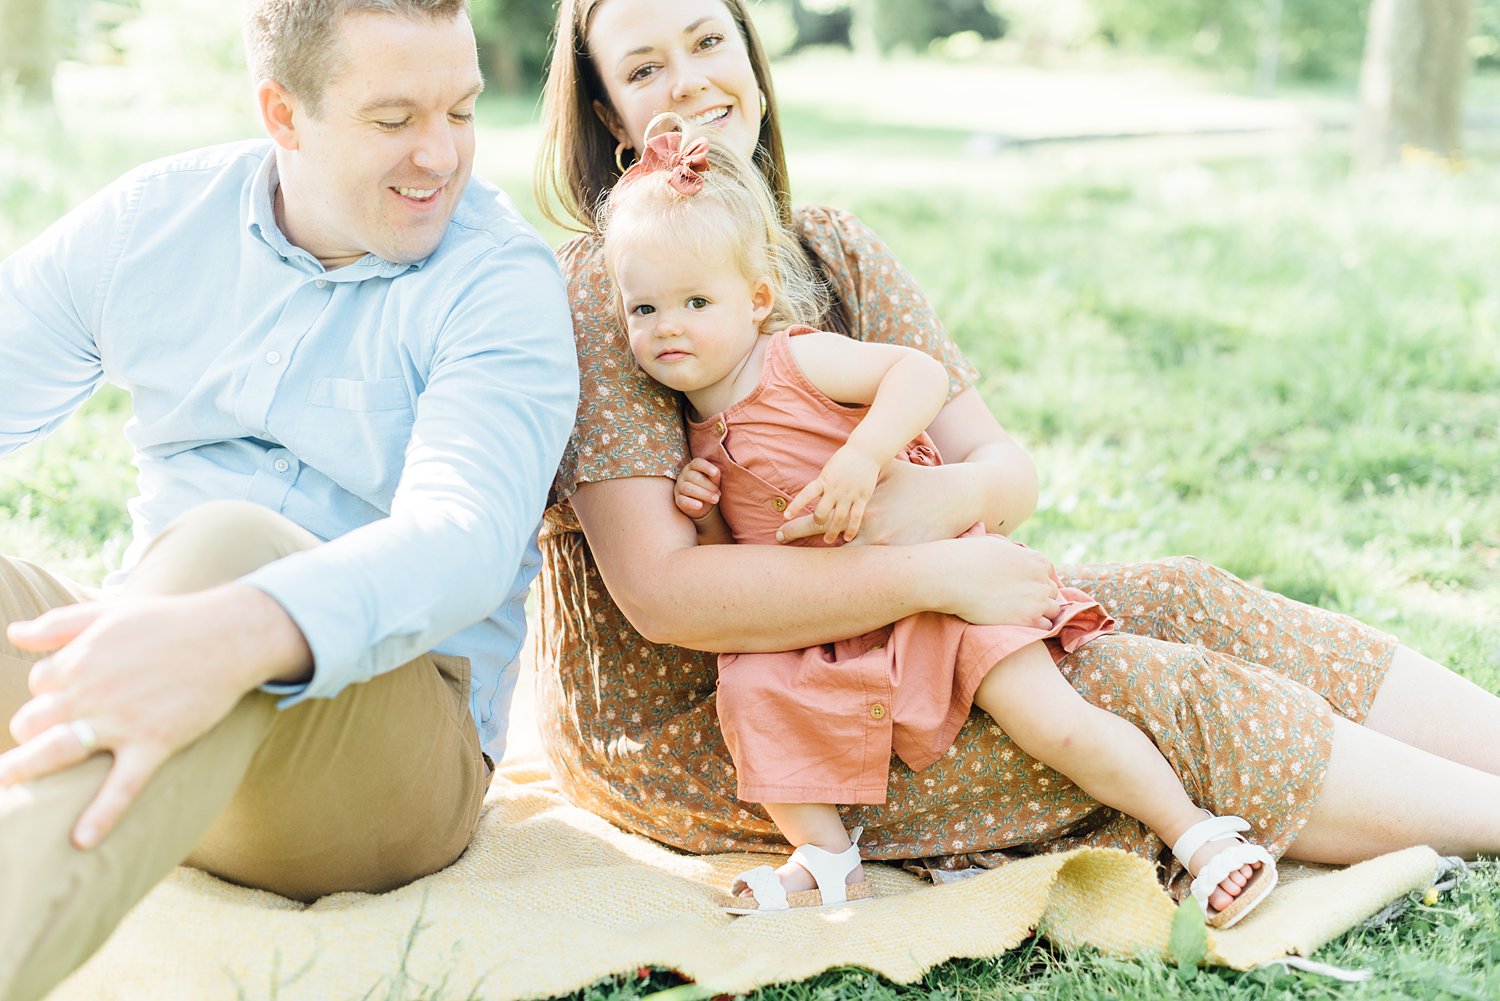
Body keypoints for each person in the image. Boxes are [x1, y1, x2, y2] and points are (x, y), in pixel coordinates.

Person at [530, 0, 1500, 921]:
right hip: (736, 721)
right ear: (611, 113)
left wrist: (934, 498)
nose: (691, 81)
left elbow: (1005, 469)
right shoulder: (621, 289)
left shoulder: (832, 250)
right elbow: (666, 594)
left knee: (1187, 592)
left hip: (901, 623)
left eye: (709, 42)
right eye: (645, 66)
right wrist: (941, 567)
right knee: (1122, 682)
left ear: (753, 61)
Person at [0, 1, 577, 997]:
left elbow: (464, 539)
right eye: (394, 120)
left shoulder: (497, 283)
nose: (441, 155)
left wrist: (234, 630)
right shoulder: (152, 223)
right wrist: (168, 639)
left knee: (228, 544)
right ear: (284, 114)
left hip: (383, 765)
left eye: (463, 110)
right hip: (152, 663)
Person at [596, 120, 1278, 923]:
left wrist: (860, 455)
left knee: (1049, 720)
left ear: (757, 300)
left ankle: (1197, 834)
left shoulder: (792, 361)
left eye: (695, 302)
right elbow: (747, 561)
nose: (666, 326)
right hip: (839, 613)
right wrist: (705, 515)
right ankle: (825, 854)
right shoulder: (696, 430)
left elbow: (914, 374)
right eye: (643, 308)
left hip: (945, 589)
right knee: (749, 691)